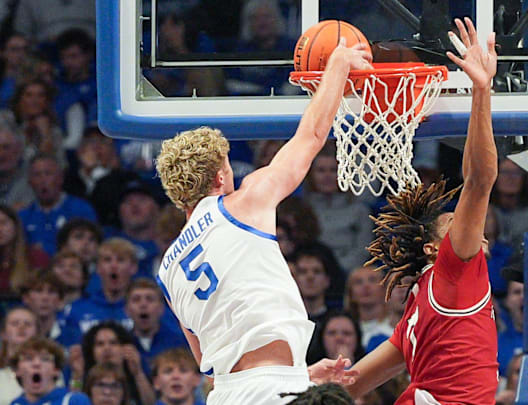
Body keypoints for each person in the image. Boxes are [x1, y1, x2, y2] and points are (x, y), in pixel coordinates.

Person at [154, 38, 372, 404]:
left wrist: (298, 375)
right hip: (272, 389)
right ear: (219, 178)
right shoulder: (243, 203)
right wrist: (336, 66)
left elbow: (208, 361)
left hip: (227, 394)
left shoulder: (168, 270)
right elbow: (312, 136)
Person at [346, 18, 499, 404]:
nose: (474, 229)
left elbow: (350, 385)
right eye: (454, 222)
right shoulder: (453, 273)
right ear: (434, 249)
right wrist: (482, 90)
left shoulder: (415, 314)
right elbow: (479, 181)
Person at [8, 337, 91, 405]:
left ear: (56, 369)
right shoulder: (15, 403)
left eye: (45, 359)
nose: (37, 364)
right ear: (17, 370)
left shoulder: (74, 401)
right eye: (28, 358)